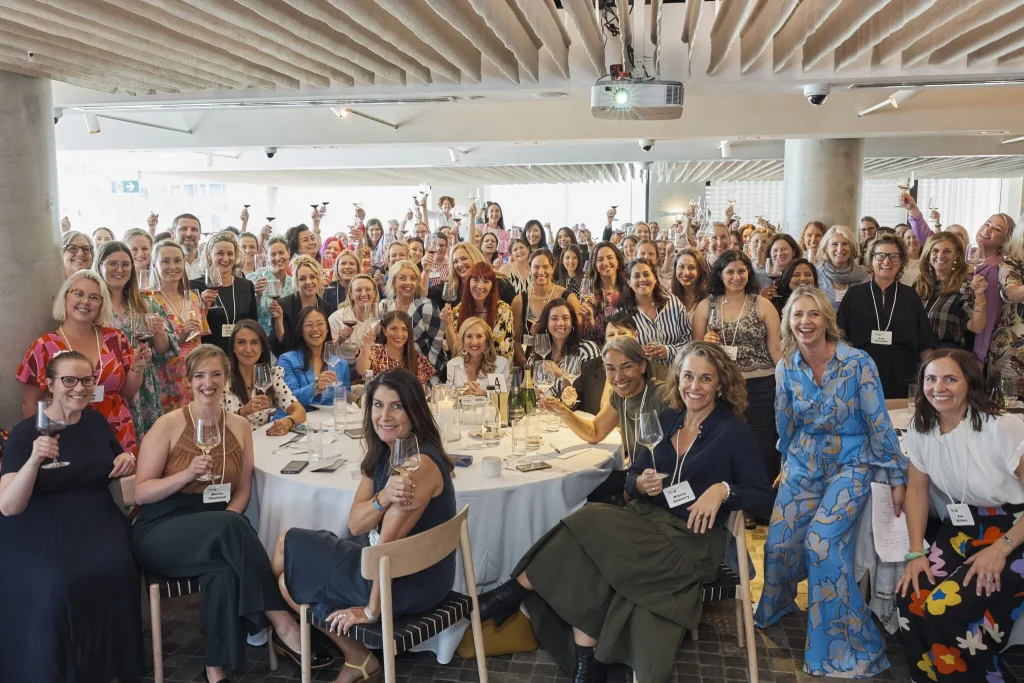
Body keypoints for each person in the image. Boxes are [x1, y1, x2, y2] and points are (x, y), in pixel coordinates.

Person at [480, 342, 774, 682]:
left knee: (588, 522)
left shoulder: (732, 432)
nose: (694, 386)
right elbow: (634, 473)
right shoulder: (667, 419)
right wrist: (640, 483)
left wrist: (722, 490)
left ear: (720, 384)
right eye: (688, 376)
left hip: (690, 542)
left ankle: (515, 591)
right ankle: (586, 667)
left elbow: (763, 498)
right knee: (587, 547)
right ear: (677, 378)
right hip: (646, 524)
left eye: (705, 379)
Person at [132, 345, 332, 683]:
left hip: (217, 524)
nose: (208, 382)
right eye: (199, 375)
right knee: (231, 528)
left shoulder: (239, 426)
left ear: (226, 379)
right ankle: (282, 622)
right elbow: (141, 492)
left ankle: (215, 671)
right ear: (188, 381)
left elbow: (242, 489)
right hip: (162, 528)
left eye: (215, 374)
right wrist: (185, 475)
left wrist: (229, 518)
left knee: (223, 570)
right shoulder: (168, 425)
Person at [756, 285, 906, 676]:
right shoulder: (786, 366)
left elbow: (879, 423)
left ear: (827, 319)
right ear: (789, 321)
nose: (805, 322)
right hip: (803, 461)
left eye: (813, 314)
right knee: (778, 542)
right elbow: (783, 419)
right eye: (798, 315)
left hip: (853, 464)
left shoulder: (858, 363)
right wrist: (786, 459)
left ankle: (848, 648)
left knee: (821, 545)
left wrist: (895, 474)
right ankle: (780, 603)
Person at [274, 369, 455, 683]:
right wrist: (383, 497)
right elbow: (356, 523)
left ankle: (351, 655)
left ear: (415, 411)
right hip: (391, 567)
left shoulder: (418, 465)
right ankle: (358, 658)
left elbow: (385, 545)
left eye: (397, 406)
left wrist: (372, 611)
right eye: (377, 405)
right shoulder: (386, 452)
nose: (385, 415)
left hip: (404, 581)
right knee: (287, 576)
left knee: (286, 552)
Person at [0, 350, 141, 683]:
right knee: (58, 583)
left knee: (118, 567)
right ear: (49, 384)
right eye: (69, 380)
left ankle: (107, 667)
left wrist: (126, 464)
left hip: (94, 515)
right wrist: (35, 461)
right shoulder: (25, 434)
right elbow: (8, 506)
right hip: (38, 522)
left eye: (87, 380)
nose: (79, 388)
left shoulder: (95, 422)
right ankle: (54, 671)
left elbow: (116, 463)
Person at [896, 349, 1024, 683]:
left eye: (950, 378)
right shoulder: (922, 429)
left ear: (970, 383)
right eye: (931, 378)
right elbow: (917, 490)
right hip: (964, 527)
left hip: (1016, 531)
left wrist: (1002, 548)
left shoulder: (1003, 427)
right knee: (912, 595)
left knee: (946, 608)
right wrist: (915, 552)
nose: (939, 387)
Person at [18, 271, 141, 455]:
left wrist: (137, 367)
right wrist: (41, 441)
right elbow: (30, 402)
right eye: (78, 294)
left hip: (117, 428)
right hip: (66, 431)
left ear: (101, 304)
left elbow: (127, 392)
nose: (85, 301)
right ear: (65, 297)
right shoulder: (44, 345)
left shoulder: (116, 338)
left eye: (94, 297)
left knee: (123, 482)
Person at [692, 250, 783, 485]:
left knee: (762, 444)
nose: (736, 276)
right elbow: (696, 351)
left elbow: (775, 348)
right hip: (721, 386)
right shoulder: (706, 306)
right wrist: (706, 344)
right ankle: (730, 497)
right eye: (730, 271)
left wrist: (787, 381)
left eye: (741, 271)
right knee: (723, 442)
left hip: (761, 385)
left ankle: (762, 497)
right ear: (719, 275)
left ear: (749, 273)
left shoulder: (762, 304)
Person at [95, 241, 178, 440]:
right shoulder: (93, 305)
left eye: (125, 264)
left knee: (147, 450)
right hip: (107, 388)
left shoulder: (146, 302)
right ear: (99, 266)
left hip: (144, 389)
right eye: (112, 264)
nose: (119, 269)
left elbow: (165, 351)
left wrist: (158, 331)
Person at [837, 233, 936, 398]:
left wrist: (931, 377)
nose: (887, 261)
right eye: (880, 256)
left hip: (902, 375)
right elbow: (838, 338)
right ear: (871, 260)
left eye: (894, 256)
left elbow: (925, 343)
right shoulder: (854, 294)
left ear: (902, 261)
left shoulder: (910, 296)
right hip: (860, 372)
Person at [150, 240, 210, 411]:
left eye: (177, 260)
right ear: (154, 264)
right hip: (166, 380)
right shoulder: (148, 301)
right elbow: (150, 349)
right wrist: (179, 337)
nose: (172, 266)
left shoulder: (193, 297)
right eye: (165, 261)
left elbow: (200, 339)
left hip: (196, 376)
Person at [224, 321, 306, 434]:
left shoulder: (271, 376)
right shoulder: (221, 379)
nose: (248, 349)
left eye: (254, 342)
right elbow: (215, 424)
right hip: (231, 445)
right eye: (241, 342)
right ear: (233, 347)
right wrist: (243, 411)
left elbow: (299, 411)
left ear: (262, 348)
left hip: (261, 443)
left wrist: (288, 422)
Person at [914, 232, 988, 350]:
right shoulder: (918, 284)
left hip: (944, 355)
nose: (940, 255)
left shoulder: (964, 286)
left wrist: (979, 294)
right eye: (935, 250)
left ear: (957, 256)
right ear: (928, 255)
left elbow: (976, 327)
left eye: (947, 251)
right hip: (913, 352)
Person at [192, 231, 258, 354]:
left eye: (230, 254)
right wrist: (203, 307)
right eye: (220, 253)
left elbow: (253, 325)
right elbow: (192, 331)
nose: (226, 259)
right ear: (209, 255)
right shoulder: (196, 287)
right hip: (208, 355)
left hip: (240, 354)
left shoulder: (246, 285)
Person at [512, 249, 581, 365]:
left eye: (545, 267)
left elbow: (578, 330)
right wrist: (528, 367)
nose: (541, 272)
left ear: (553, 268)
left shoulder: (568, 297)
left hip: (563, 361)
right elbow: (515, 341)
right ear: (529, 269)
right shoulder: (519, 301)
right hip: (530, 362)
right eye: (536, 267)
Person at [619, 257, 691, 367]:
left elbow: (689, 340)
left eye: (646, 274)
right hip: (641, 375)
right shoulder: (622, 312)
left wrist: (668, 351)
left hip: (674, 372)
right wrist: (637, 352)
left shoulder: (672, 302)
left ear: (655, 278)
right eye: (636, 276)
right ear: (629, 282)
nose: (642, 279)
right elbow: (616, 347)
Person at [380, 260, 445, 376]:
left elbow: (437, 346)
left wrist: (426, 375)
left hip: (425, 371)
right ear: (393, 281)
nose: (408, 283)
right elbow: (381, 343)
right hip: (391, 370)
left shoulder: (426, 306)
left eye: (413, 278)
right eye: (403, 278)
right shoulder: (384, 306)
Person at [442, 261, 515, 360]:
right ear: (468, 283)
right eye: (476, 280)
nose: (480, 286)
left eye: (486, 281)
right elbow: (454, 350)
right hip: (465, 369)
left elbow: (500, 351)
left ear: (492, 286)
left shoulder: (503, 311)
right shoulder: (458, 310)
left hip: (494, 371)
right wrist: (448, 324)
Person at [280, 307, 350, 409]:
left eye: (320, 323)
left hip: (329, 421)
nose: (315, 329)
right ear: (301, 331)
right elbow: (289, 399)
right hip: (299, 421)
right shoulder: (287, 360)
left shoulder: (341, 364)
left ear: (327, 329)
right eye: (308, 325)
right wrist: (316, 387)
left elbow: (344, 396)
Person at [270, 255, 337, 356]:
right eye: (302, 279)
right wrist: (279, 319)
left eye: (312, 277)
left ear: (318, 279)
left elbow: (328, 343)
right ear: (296, 282)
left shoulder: (327, 308)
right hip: (291, 361)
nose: (308, 282)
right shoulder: (282, 305)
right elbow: (282, 344)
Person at [532, 298, 600, 398]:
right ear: (546, 324)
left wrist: (560, 374)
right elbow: (529, 389)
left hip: (576, 412)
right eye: (554, 318)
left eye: (565, 318)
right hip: (543, 412)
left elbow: (588, 392)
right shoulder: (538, 353)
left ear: (572, 323)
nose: (560, 323)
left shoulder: (586, 350)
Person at [356, 310, 436, 387]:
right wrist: (366, 346)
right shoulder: (374, 352)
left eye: (404, 329)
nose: (399, 334)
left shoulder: (418, 359)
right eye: (393, 328)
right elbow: (361, 371)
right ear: (384, 331)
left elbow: (422, 390)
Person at [580, 241, 628, 345]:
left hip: (627, 345)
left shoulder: (628, 288)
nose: (605, 263)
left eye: (610, 257)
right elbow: (588, 335)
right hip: (600, 349)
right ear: (595, 265)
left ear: (618, 261)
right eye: (600, 259)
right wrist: (591, 321)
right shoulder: (589, 293)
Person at [446, 317, 511, 395]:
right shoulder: (452, 365)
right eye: (469, 336)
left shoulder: (501, 364)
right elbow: (447, 396)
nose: (474, 341)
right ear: (463, 341)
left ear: (487, 341)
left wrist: (483, 394)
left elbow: (505, 400)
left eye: (479, 336)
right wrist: (461, 393)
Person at [247, 235, 293, 337]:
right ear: (267, 258)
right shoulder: (252, 279)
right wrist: (257, 296)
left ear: (288, 253)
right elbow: (245, 314)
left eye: (281, 253)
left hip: (286, 339)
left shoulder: (294, 283)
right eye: (273, 254)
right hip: (259, 338)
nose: (278, 258)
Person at [329, 273, 381, 362]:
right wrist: (340, 340)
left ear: (375, 293)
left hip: (370, 365)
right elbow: (328, 351)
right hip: (345, 367)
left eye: (368, 289)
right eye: (358, 290)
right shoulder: (337, 318)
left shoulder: (378, 317)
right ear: (351, 295)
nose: (364, 294)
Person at [817, 224, 870, 310]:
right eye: (834, 244)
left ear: (852, 248)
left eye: (845, 244)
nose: (840, 249)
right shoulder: (815, 275)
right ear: (826, 248)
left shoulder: (864, 277)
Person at [671, 247, 710, 323]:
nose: (686, 272)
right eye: (681, 267)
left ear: (699, 272)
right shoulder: (668, 296)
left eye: (691, 268)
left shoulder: (709, 297)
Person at [172, 213, 206, 279]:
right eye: (183, 229)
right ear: (173, 234)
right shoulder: (166, 264)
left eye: (194, 229)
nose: (189, 234)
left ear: (199, 235)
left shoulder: (209, 262)